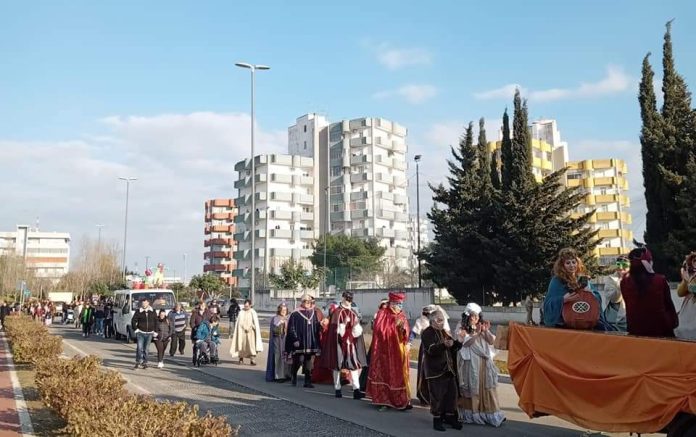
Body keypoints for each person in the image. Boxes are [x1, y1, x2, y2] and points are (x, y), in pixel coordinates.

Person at [456, 303, 505, 427]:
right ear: (467, 317)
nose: (476, 318)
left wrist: (485, 331)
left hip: (483, 362)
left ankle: (490, 414)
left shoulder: (480, 326)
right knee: (473, 387)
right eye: (473, 316)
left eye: (478, 316)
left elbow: (491, 341)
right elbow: (465, 343)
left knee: (486, 387)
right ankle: (473, 413)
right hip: (470, 363)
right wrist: (477, 333)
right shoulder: (461, 328)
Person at [542, 247, 609, 330]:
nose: (572, 265)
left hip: (586, 320)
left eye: (574, 262)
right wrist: (563, 299)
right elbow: (548, 304)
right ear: (562, 265)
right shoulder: (557, 281)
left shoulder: (583, 278)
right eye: (568, 263)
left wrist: (590, 293)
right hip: (564, 323)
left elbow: (597, 297)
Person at [366, 291, 412, 411]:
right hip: (384, 351)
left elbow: (406, 332)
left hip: (398, 350)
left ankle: (401, 400)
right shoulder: (382, 314)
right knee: (385, 375)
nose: (400, 307)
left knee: (399, 375)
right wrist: (393, 326)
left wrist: (402, 328)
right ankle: (384, 401)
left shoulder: (401, 315)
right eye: (398, 304)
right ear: (392, 304)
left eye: (401, 304)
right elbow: (379, 331)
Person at [318, 291, 367, 399]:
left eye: (350, 299)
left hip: (350, 343)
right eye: (347, 298)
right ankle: (337, 388)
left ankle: (356, 390)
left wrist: (355, 328)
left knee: (354, 365)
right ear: (343, 298)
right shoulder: (337, 312)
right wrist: (343, 325)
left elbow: (357, 331)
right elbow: (335, 331)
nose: (348, 301)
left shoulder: (353, 312)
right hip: (338, 344)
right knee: (337, 365)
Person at [621, 246, 678, 338]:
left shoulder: (624, 283)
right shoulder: (660, 280)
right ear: (648, 262)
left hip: (635, 330)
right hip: (661, 330)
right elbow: (668, 304)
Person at [422, 309, 462, 431]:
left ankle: (450, 417)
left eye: (443, 320)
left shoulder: (444, 332)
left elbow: (452, 347)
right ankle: (437, 420)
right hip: (435, 371)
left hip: (448, 370)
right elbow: (431, 350)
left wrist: (458, 342)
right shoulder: (427, 333)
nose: (442, 322)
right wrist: (444, 345)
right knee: (437, 397)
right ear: (432, 321)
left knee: (452, 395)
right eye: (440, 320)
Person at [413, 304, 451, 405]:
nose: (427, 315)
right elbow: (414, 333)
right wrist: (408, 343)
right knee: (425, 372)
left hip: (440, 347)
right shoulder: (421, 321)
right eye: (426, 313)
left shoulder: (441, 321)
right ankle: (425, 396)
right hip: (426, 349)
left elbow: (447, 333)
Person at [285, 294, 323, 388]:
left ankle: (307, 381)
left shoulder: (313, 313)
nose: (307, 303)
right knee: (298, 361)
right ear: (302, 302)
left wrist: (321, 325)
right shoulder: (295, 313)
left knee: (309, 363)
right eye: (305, 302)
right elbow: (291, 328)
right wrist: (295, 339)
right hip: (300, 342)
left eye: (309, 302)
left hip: (310, 342)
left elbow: (316, 326)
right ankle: (293, 376)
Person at [598, 257, 629, 332]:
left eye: (624, 265)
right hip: (615, 319)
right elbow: (614, 299)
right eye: (618, 265)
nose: (621, 268)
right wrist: (620, 283)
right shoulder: (611, 279)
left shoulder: (636, 278)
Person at [229, 299, 262, 365]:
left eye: (247, 306)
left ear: (250, 305)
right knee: (242, 345)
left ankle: (252, 359)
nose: (246, 307)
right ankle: (241, 359)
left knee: (251, 346)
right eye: (245, 306)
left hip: (251, 332)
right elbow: (239, 322)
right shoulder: (241, 312)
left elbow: (255, 323)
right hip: (242, 332)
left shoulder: (253, 312)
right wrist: (243, 327)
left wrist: (251, 327)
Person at [266, 303, 291, 382]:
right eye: (282, 310)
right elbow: (274, 331)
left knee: (287, 357)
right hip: (278, 341)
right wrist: (280, 323)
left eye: (285, 310)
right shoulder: (275, 318)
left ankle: (287, 374)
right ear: (279, 310)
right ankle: (279, 376)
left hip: (287, 341)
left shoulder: (289, 318)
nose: (284, 312)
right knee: (279, 357)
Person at [131, 298, 157, 369]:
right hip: (140, 333)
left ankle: (145, 362)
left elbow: (156, 321)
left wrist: (155, 331)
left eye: (145, 303)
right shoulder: (138, 311)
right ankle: (138, 361)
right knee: (139, 348)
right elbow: (133, 321)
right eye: (143, 303)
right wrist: (136, 329)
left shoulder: (153, 311)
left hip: (150, 333)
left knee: (146, 349)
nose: (144, 304)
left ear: (148, 303)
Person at [675, 252, 696, 340]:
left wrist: (688, 280)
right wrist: (685, 280)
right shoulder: (691, 277)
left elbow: (694, 289)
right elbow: (680, 292)